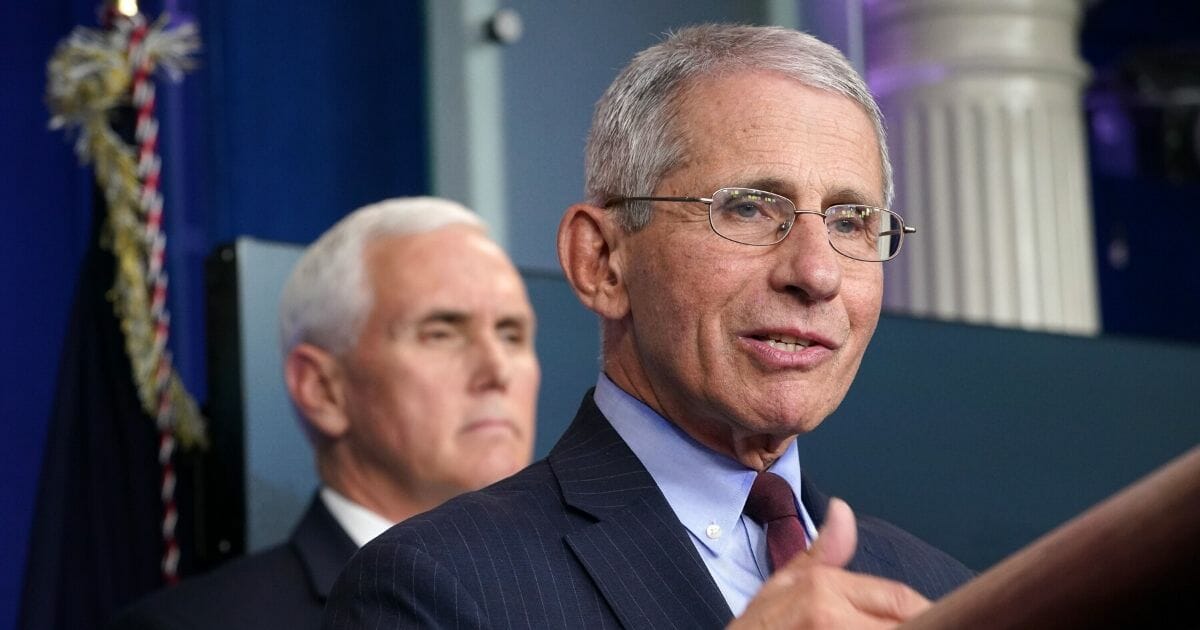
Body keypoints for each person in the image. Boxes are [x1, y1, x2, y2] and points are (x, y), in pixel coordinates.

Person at [323, 24, 973, 629]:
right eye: (748, 208)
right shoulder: (434, 587)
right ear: (602, 261)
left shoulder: (944, 595)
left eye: (850, 220)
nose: (817, 273)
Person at [110, 197, 541, 630]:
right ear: (322, 390)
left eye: (512, 334)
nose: (498, 370)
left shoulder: (585, 598)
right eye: (441, 332)